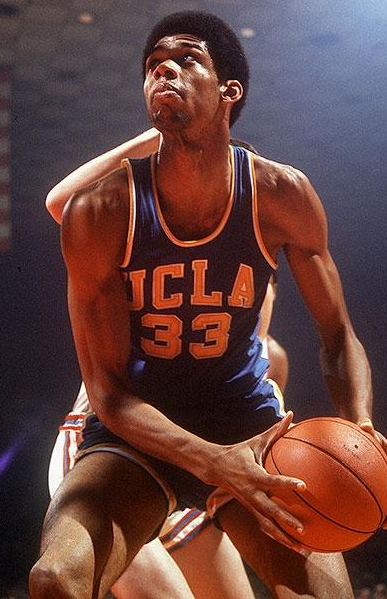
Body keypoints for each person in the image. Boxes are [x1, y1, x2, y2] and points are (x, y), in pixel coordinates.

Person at [30, 11, 387, 599]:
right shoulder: (99, 212)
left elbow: (337, 335)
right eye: (154, 66)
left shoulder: (280, 196)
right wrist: (212, 462)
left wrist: (361, 427)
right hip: (139, 427)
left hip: (241, 419)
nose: (164, 71)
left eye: (186, 61)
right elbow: (108, 394)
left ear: (229, 91)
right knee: (58, 578)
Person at [45, 131, 287, 599]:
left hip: (202, 460)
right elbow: (64, 204)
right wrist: (166, 135)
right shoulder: (143, 237)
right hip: (120, 448)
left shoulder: (263, 303)